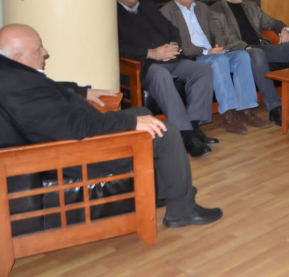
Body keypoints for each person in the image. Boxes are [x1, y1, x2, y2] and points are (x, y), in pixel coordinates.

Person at [0, 24, 222, 228]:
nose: (45, 52)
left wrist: (82, 92)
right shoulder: (21, 87)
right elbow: (76, 126)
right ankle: (182, 210)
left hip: (80, 136)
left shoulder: (12, 75)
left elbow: (48, 91)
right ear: (19, 58)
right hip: (80, 152)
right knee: (165, 132)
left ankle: (163, 193)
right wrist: (130, 123)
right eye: (38, 49)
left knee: (143, 112)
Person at [116, 0, 214, 158]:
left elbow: (171, 28)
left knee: (203, 70)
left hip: (170, 58)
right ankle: (186, 136)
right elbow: (116, 46)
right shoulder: (110, 13)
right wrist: (152, 53)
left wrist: (174, 46)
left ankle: (193, 127)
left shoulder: (146, 4)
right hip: (144, 66)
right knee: (161, 75)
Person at [160, 0, 270, 134]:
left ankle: (245, 109)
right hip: (192, 57)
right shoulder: (166, 12)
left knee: (242, 56)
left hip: (213, 52)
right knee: (219, 60)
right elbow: (179, 44)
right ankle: (227, 114)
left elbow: (216, 32)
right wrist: (207, 52)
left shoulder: (202, 8)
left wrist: (220, 45)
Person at [209, 0, 289, 126]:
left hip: (261, 47)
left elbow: (271, 22)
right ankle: (275, 108)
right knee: (256, 53)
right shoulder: (215, 11)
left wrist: (283, 30)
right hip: (238, 52)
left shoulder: (250, 6)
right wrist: (245, 46)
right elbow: (220, 39)